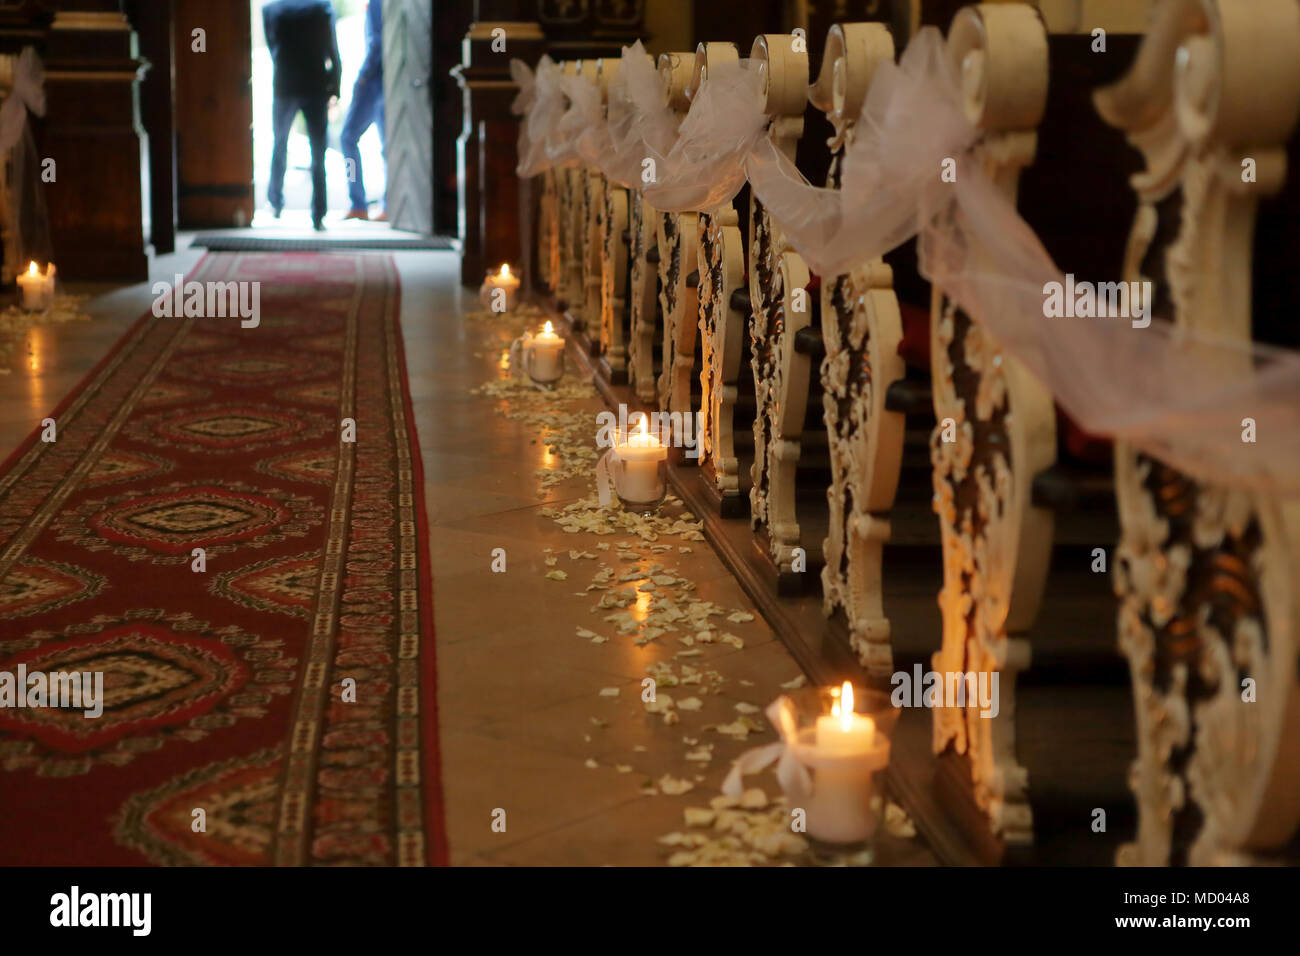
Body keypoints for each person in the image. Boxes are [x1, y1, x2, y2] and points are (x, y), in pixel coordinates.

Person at [264, 0, 341, 231]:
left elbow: (273, 48)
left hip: (285, 84)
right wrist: (335, 88)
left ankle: (275, 202)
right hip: (316, 85)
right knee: (318, 152)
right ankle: (318, 213)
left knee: (279, 144)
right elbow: (332, 51)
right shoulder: (323, 8)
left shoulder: (271, 10)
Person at [340, 0, 386, 221]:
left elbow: (376, 42)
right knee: (387, 145)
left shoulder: (377, 3)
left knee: (348, 137)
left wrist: (364, 77)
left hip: (374, 81)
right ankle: (387, 203)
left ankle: (358, 202)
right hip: (384, 80)